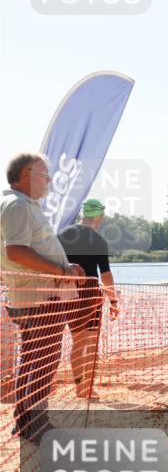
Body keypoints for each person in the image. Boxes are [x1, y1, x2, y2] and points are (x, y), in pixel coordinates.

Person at [1, 153, 85, 442]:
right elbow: (16, 252)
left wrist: (65, 269)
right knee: (43, 361)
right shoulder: (17, 206)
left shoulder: (21, 205)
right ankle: (35, 424)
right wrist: (62, 269)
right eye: (44, 174)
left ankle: (26, 421)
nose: (49, 181)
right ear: (26, 174)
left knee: (32, 359)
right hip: (38, 298)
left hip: (33, 295)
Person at [57, 198, 118, 400]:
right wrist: (114, 301)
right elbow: (106, 275)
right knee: (91, 343)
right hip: (91, 292)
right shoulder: (99, 240)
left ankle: (79, 388)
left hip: (69, 292)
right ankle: (88, 389)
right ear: (98, 216)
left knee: (77, 341)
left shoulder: (63, 235)